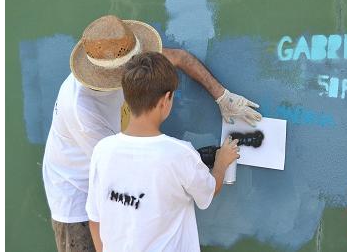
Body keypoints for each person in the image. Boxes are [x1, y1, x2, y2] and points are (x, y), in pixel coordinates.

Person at [42, 15, 261, 252]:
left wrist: (222, 96)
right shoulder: (81, 110)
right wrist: (200, 163)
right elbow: (128, 169)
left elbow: (178, 57)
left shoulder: (132, 63)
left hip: (116, 196)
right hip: (76, 194)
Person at [86, 52, 239, 251]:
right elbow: (209, 191)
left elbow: (95, 220)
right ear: (166, 99)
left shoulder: (102, 150)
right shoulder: (179, 154)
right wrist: (221, 162)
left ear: (126, 95)